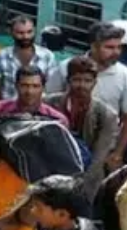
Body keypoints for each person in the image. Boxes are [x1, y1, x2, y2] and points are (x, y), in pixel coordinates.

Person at [46, 22, 127, 169]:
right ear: (94, 46)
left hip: (104, 150)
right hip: (64, 148)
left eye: (119, 47)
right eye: (109, 47)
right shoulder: (66, 67)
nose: (116, 52)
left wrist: (117, 154)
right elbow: (47, 105)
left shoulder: (124, 75)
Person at [48, 55, 118, 197]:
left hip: (88, 177)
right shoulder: (49, 104)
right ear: (68, 81)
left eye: (87, 81)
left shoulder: (106, 115)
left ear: (94, 83)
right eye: (77, 80)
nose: (82, 85)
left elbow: (99, 157)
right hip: (51, 171)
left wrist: (81, 184)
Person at [0, 16, 58, 104]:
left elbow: (51, 89)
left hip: (38, 110)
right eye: (20, 33)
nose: (26, 36)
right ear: (11, 33)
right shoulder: (1, 56)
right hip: (8, 110)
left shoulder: (47, 56)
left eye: (29, 32)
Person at [0, 67, 68, 124]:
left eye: (35, 86)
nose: (29, 91)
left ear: (43, 88)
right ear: (16, 86)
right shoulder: (0, 109)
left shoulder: (58, 119)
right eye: (24, 85)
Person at [22, 175, 95, 230]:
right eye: (34, 205)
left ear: (62, 214)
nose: (32, 211)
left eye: (39, 209)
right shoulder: (50, 223)